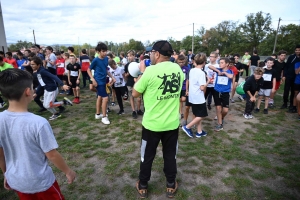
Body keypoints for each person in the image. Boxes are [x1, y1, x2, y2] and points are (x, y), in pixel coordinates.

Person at [0, 68, 76, 199]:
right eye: (32, 87)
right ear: (28, 92)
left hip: (16, 180)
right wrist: (68, 171)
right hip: (40, 182)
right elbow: (51, 154)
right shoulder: (38, 123)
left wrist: (6, 173)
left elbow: (1, 152)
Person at [133, 40, 183, 198]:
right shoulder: (177, 68)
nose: (149, 56)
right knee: (170, 155)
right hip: (172, 124)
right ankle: (170, 183)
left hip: (152, 125)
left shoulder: (150, 71)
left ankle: (143, 184)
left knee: (147, 156)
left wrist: (141, 74)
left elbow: (135, 93)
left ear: (157, 54)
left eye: (150, 53)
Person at [182, 53, 210, 138]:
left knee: (198, 114)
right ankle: (187, 127)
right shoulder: (201, 73)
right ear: (204, 62)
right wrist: (208, 81)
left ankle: (199, 131)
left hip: (192, 96)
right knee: (202, 115)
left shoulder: (192, 70)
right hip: (199, 97)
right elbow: (202, 88)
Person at [87, 42, 116, 125]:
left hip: (104, 80)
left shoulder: (106, 59)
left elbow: (105, 70)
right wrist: (93, 80)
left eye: (105, 51)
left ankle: (98, 114)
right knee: (105, 98)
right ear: (98, 51)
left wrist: (112, 77)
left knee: (100, 97)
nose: (105, 53)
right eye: (103, 51)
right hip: (98, 81)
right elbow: (88, 70)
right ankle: (104, 117)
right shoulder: (95, 60)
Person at [208, 58, 234, 131]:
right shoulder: (218, 69)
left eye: (222, 63)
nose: (220, 64)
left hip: (225, 92)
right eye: (220, 62)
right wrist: (218, 71)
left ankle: (221, 118)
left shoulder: (230, 71)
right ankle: (220, 124)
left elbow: (231, 76)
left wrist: (225, 73)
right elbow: (210, 66)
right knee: (218, 108)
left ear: (227, 64)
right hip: (217, 91)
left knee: (225, 110)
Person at [124, 50, 144, 119]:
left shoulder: (138, 64)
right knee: (131, 97)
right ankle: (133, 111)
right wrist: (127, 74)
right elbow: (125, 75)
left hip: (137, 82)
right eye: (128, 56)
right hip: (130, 82)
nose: (129, 57)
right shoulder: (126, 65)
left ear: (134, 56)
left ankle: (138, 109)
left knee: (138, 98)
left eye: (130, 56)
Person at [281, 45, 300, 113]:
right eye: (296, 50)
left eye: (299, 50)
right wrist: (284, 75)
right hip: (289, 76)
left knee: (293, 91)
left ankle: (292, 104)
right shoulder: (291, 57)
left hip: (296, 78)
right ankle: (285, 103)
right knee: (286, 90)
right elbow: (286, 66)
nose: (297, 51)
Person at [177, 54, 189, 119]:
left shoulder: (187, 69)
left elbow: (187, 79)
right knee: (179, 100)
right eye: (180, 62)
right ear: (177, 61)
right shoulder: (176, 68)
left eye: (183, 62)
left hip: (184, 87)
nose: (181, 63)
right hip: (178, 87)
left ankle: (181, 111)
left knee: (183, 99)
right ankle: (180, 112)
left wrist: (187, 89)